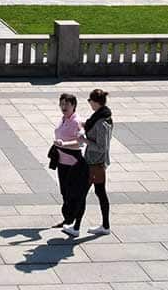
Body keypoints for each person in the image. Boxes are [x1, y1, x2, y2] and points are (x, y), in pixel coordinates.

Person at [72, 88, 113, 236]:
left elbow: (102, 147)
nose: (89, 103)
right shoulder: (101, 115)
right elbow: (91, 125)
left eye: (90, 101)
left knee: (82, 193)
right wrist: (82, 124)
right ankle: (105, 226)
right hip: (96, 163)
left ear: (96, 102)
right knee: (100, 193)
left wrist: (85, 141)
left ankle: (76, 228)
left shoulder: (102, 122)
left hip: (94, 164)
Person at [52, 93, 88, 233]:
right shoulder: (63, 119)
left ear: (74, 106)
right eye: (62, 103)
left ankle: (72, 221)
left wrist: (64, 144)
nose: (64, 106)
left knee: (72, 193)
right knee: (64, 192)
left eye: (67, 104)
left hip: (73, 163)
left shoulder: (76, 121)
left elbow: (80, 142)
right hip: (62, 162)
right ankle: (68, 219)